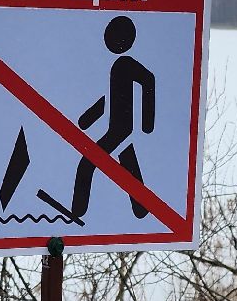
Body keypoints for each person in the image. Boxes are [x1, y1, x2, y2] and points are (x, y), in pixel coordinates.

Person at [39, 15, 153, 223]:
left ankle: (77, 212)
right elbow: (109, 99)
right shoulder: (117, 66)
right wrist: (87, 119)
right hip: (118, 128)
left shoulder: (126, 64)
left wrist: (147, 122)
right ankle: (141, 207)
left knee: (87, 163)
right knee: (128, 165)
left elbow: (149, 81)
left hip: (122, 129)